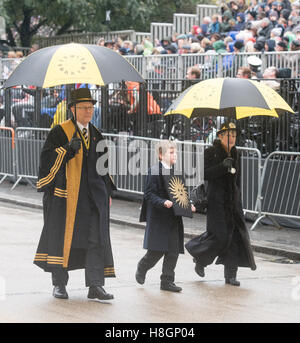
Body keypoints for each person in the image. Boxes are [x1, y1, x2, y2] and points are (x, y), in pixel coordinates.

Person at [33, 88, 116, 301]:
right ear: (73, 109)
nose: (89, 111)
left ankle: (95, 285)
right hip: (66, 197)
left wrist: (107, 192)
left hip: (93, 198)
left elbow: (103, 167)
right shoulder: (60, 132)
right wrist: (67, 151)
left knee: (95, 239)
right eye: (84, 107)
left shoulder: (96, 133)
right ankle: (59, 284)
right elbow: (46, 163)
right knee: (62, 238)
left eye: (91, 107)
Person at [185, 122, 256, 286]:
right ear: (220, 136)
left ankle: (230, 275)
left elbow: (238, 178)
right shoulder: (211, 152)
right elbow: (205, 173)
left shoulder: (236, 153)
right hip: (216, 202)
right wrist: (222, 167)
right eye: (228, 135)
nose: (231, 139)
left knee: (234, 238)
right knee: (220, 237)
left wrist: (239, 199)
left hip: (233, 202)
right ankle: (200, 259)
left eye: (234, 136)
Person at [136, 140, 196, 292]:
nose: (174, 154)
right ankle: (143, 266)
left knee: (173, 250)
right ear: (160, 155)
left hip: (174, 217)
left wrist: (189, 205)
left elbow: (181, 193)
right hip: (159, 217)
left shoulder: (177, 172)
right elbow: (149, 194)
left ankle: (167, 281)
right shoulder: (154, 171)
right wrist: (163, 202)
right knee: (157, 250)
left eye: (175, 152)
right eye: (171, 152)